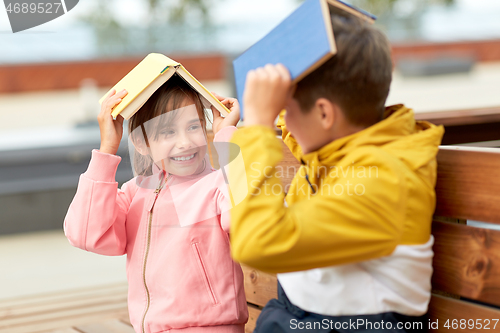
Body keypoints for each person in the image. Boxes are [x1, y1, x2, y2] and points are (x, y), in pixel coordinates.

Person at [229, 13, 444, 333]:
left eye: (285, 111)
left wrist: (257, 125)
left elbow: (255, 244)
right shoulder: (339, 152)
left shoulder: (384, 180)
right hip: (302, 316)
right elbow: (299, 135)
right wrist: (229, 137)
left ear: (325, 114)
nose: (282, 122)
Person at [64, 75, 247, 333]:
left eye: (194, 127)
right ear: (141, 143)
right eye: (168, 131)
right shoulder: (134, 192)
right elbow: (85, 234)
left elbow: (243, 215)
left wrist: (226, 134)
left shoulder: (216, 185)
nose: (185, 142)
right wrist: (107, 148)